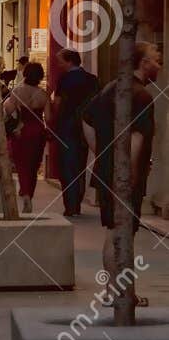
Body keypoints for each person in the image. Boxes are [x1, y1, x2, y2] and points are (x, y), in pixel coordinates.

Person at [83, 44, 161, 292]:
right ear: (143, 63)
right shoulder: (141, 96)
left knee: (114, 230)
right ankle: (121, 294)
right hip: (124, 177)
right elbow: (137, 140)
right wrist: (130, 176)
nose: (160, 66)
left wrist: (102, 154)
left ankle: (115, 292)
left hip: (108, 171)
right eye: (156, 61)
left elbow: (86, 119)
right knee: (121, 233)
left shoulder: (110, 88)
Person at [49, 49, 98, 217]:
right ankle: (77, 201)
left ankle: (71, 206)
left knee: (67, 166)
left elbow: (57, 104)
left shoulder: (64, 79)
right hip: (86, 127)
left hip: (67, 126)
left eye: (60, 61)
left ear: (70, 61)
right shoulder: (92, 79)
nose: (58, 64)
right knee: (80, 165)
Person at [3, 61, 49, 214]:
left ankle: (26, 194)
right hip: (38, 131)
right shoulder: (43, 94)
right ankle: (30, 192)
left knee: (22, 165)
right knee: (34, 166)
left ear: (25, 74)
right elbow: (48, 117)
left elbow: (8, 110)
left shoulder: (17, 91)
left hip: (21, 130)